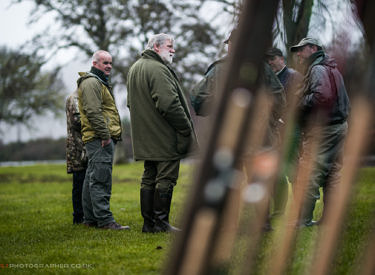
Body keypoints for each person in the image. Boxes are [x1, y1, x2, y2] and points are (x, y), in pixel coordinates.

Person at [127, 33, 196, 233]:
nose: (173, 49)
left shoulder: (135, 68)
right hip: (164, 135)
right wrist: (185, 127)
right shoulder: (158, 69)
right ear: (156, 47)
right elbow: (169, 103)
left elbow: (131, 104)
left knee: (149, 176)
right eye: (170, 45)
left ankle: (149, 224)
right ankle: (160, 223)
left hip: (145, 136)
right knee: (166, 177)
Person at [290, 38, 350, 227]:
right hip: (339, 126)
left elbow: (321, 96)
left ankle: (303, 219)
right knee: (333, 173)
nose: (299, 54)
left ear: (313, 48)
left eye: (301, 49)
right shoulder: (331, 67)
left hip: (324, 130)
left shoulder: (317, 69)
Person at [77, 50, 129, 230]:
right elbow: (93, 111)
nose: (108, 66)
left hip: (98, 138)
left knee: (92, 177)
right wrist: (105, 135)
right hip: (100, 139)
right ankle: (105, 221)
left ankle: (90, 219)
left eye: (110, 63)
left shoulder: (98, 82)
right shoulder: (92, 82)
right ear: (95, 63)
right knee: (101, 179)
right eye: (104, 63)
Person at [265, 48, 304, 217]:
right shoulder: (268, 78)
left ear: (282, 58)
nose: (270, 62)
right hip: (273, 131)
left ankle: (300, 209)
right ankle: (280, 210)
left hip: (291, 129)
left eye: (272, 58)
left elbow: (299, 103)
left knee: (293, 169)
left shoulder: (294, 77)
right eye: (268, 60)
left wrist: (283, 119)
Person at [66, 90, 87, 224]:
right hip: (77, 147)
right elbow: (76, 121)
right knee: (79, 181)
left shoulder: (80, 97)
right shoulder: (75, 98)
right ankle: (78, 217)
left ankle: (84, 215)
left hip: (82, 145)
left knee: (84, 181)